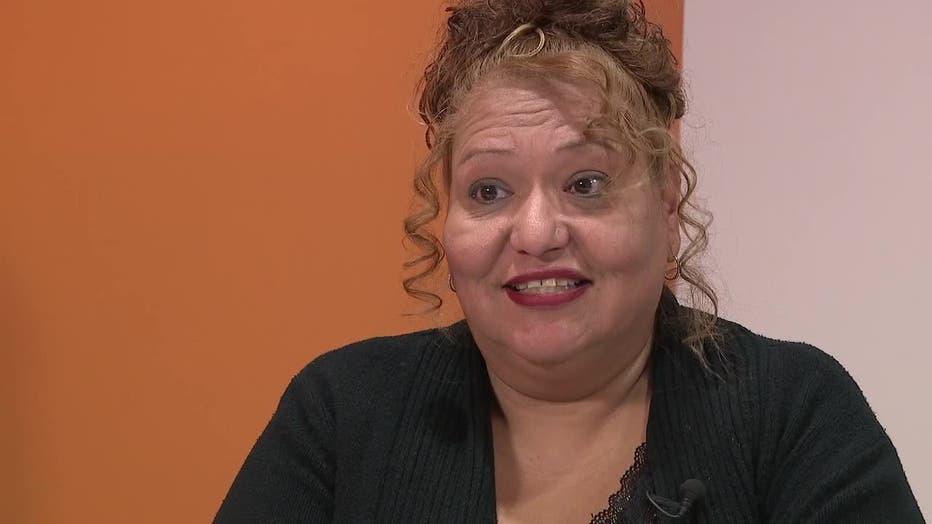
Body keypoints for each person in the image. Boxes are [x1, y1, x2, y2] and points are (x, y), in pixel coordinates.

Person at [215, 1, 923, 522]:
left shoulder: (793, 414)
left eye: (586, 184)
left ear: (666, 204)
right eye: (489, 191)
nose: (535, 232)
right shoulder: (342, 415)